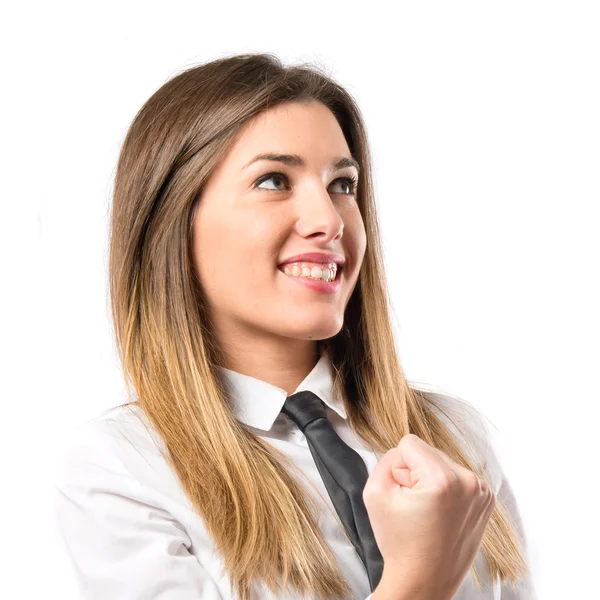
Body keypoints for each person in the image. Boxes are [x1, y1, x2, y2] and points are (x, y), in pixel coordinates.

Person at [53, 53, 536, 600]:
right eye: (273, 180)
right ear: (174, 221)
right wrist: (419, 582)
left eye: (343, 184)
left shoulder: (452, 438)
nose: (330, 220)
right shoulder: (123, 468)